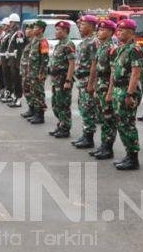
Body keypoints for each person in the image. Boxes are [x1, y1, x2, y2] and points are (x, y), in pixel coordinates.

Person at [107, 19, 143, 170]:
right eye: (118, 30)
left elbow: (135, 73)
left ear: (131, 32)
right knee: (121, 124)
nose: (119, 32)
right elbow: (114, 72)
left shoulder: (135, 49)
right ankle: (129, 154)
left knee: (127, 124)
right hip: (118, 90)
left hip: (127, 91)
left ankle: (133, 158)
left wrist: (129, 94)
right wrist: (110, 92)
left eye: (122, 30)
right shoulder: (121, 48)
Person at [87, 19, 118, 160]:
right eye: (99, 29)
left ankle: (108, 147)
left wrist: (110, 91)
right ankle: (103, 145)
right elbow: (94, 67)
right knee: (103, 118)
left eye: (103, 30)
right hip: (100, 86)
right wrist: (92, 84)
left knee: (109, 118)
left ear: (111, 32)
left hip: (107, 86)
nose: (99, 32)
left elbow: (113, 72)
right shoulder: (101, 47)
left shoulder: (112, 48)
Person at [72, 15, 99, 148]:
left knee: (88, 109)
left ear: (91, 26)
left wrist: (91, 84)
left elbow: (94, 64)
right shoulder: (84, 41)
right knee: (83, 108)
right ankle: (85, 134)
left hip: (87, 79)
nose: (80, 27)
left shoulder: (93, 42)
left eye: (83, 25)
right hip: (81, 80)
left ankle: (89, 138)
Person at [48, 20, 76, 138]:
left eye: (58, 30)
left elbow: (72, 63)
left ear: (65, 31)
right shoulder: (59, 44)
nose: (56, 32)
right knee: (56, 104)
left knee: (63, 104)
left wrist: (68, 80)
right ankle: (60, 124)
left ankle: (65, 128)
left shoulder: (68, 44)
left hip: (63, 79)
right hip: (56, 79)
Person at [24, 19, 49, 124]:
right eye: (33, 28)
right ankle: (35, 113)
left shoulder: (43, 41)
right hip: (32, 72)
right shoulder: (34, 40)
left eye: (36, 28)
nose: (33, 30)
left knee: (39, 94)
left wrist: (41, 73)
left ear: (41, 30)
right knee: (34, 93)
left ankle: (40, 115)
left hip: (38, 72)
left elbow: (45, 58)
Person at [4, 14, 26, 108]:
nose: (10, 24)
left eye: (11, 22)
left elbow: (20, 48)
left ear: (15, 22)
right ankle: (15, 97)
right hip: (12, 60)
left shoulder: (19, 33)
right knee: (13, 79)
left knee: (17, 80)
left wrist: (18, 62)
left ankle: (19, 99)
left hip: (17, 60)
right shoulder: (13, 32)